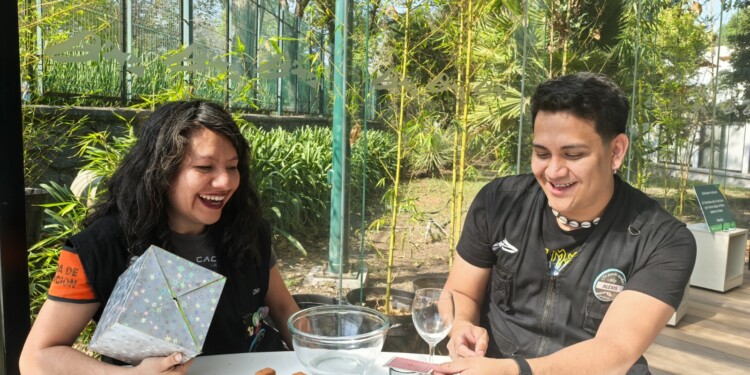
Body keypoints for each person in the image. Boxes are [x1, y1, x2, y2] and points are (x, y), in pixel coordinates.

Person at [432, 72, 697, 375]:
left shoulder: (661, 240)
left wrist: (514, 371)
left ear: (616, 151)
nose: (554, 171)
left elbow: (616, 350)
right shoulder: (500, 202)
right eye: (541, 153)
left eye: (573, 154)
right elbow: (460, 292)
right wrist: (462, 325)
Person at [20, 100, 300, 374]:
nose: (225, 182)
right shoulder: (103, 247)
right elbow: (36, 358)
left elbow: (282, 305)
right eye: (205, 167)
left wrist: (320, 359)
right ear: (161, 170)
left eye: (232, 167)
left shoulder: (246, 228)